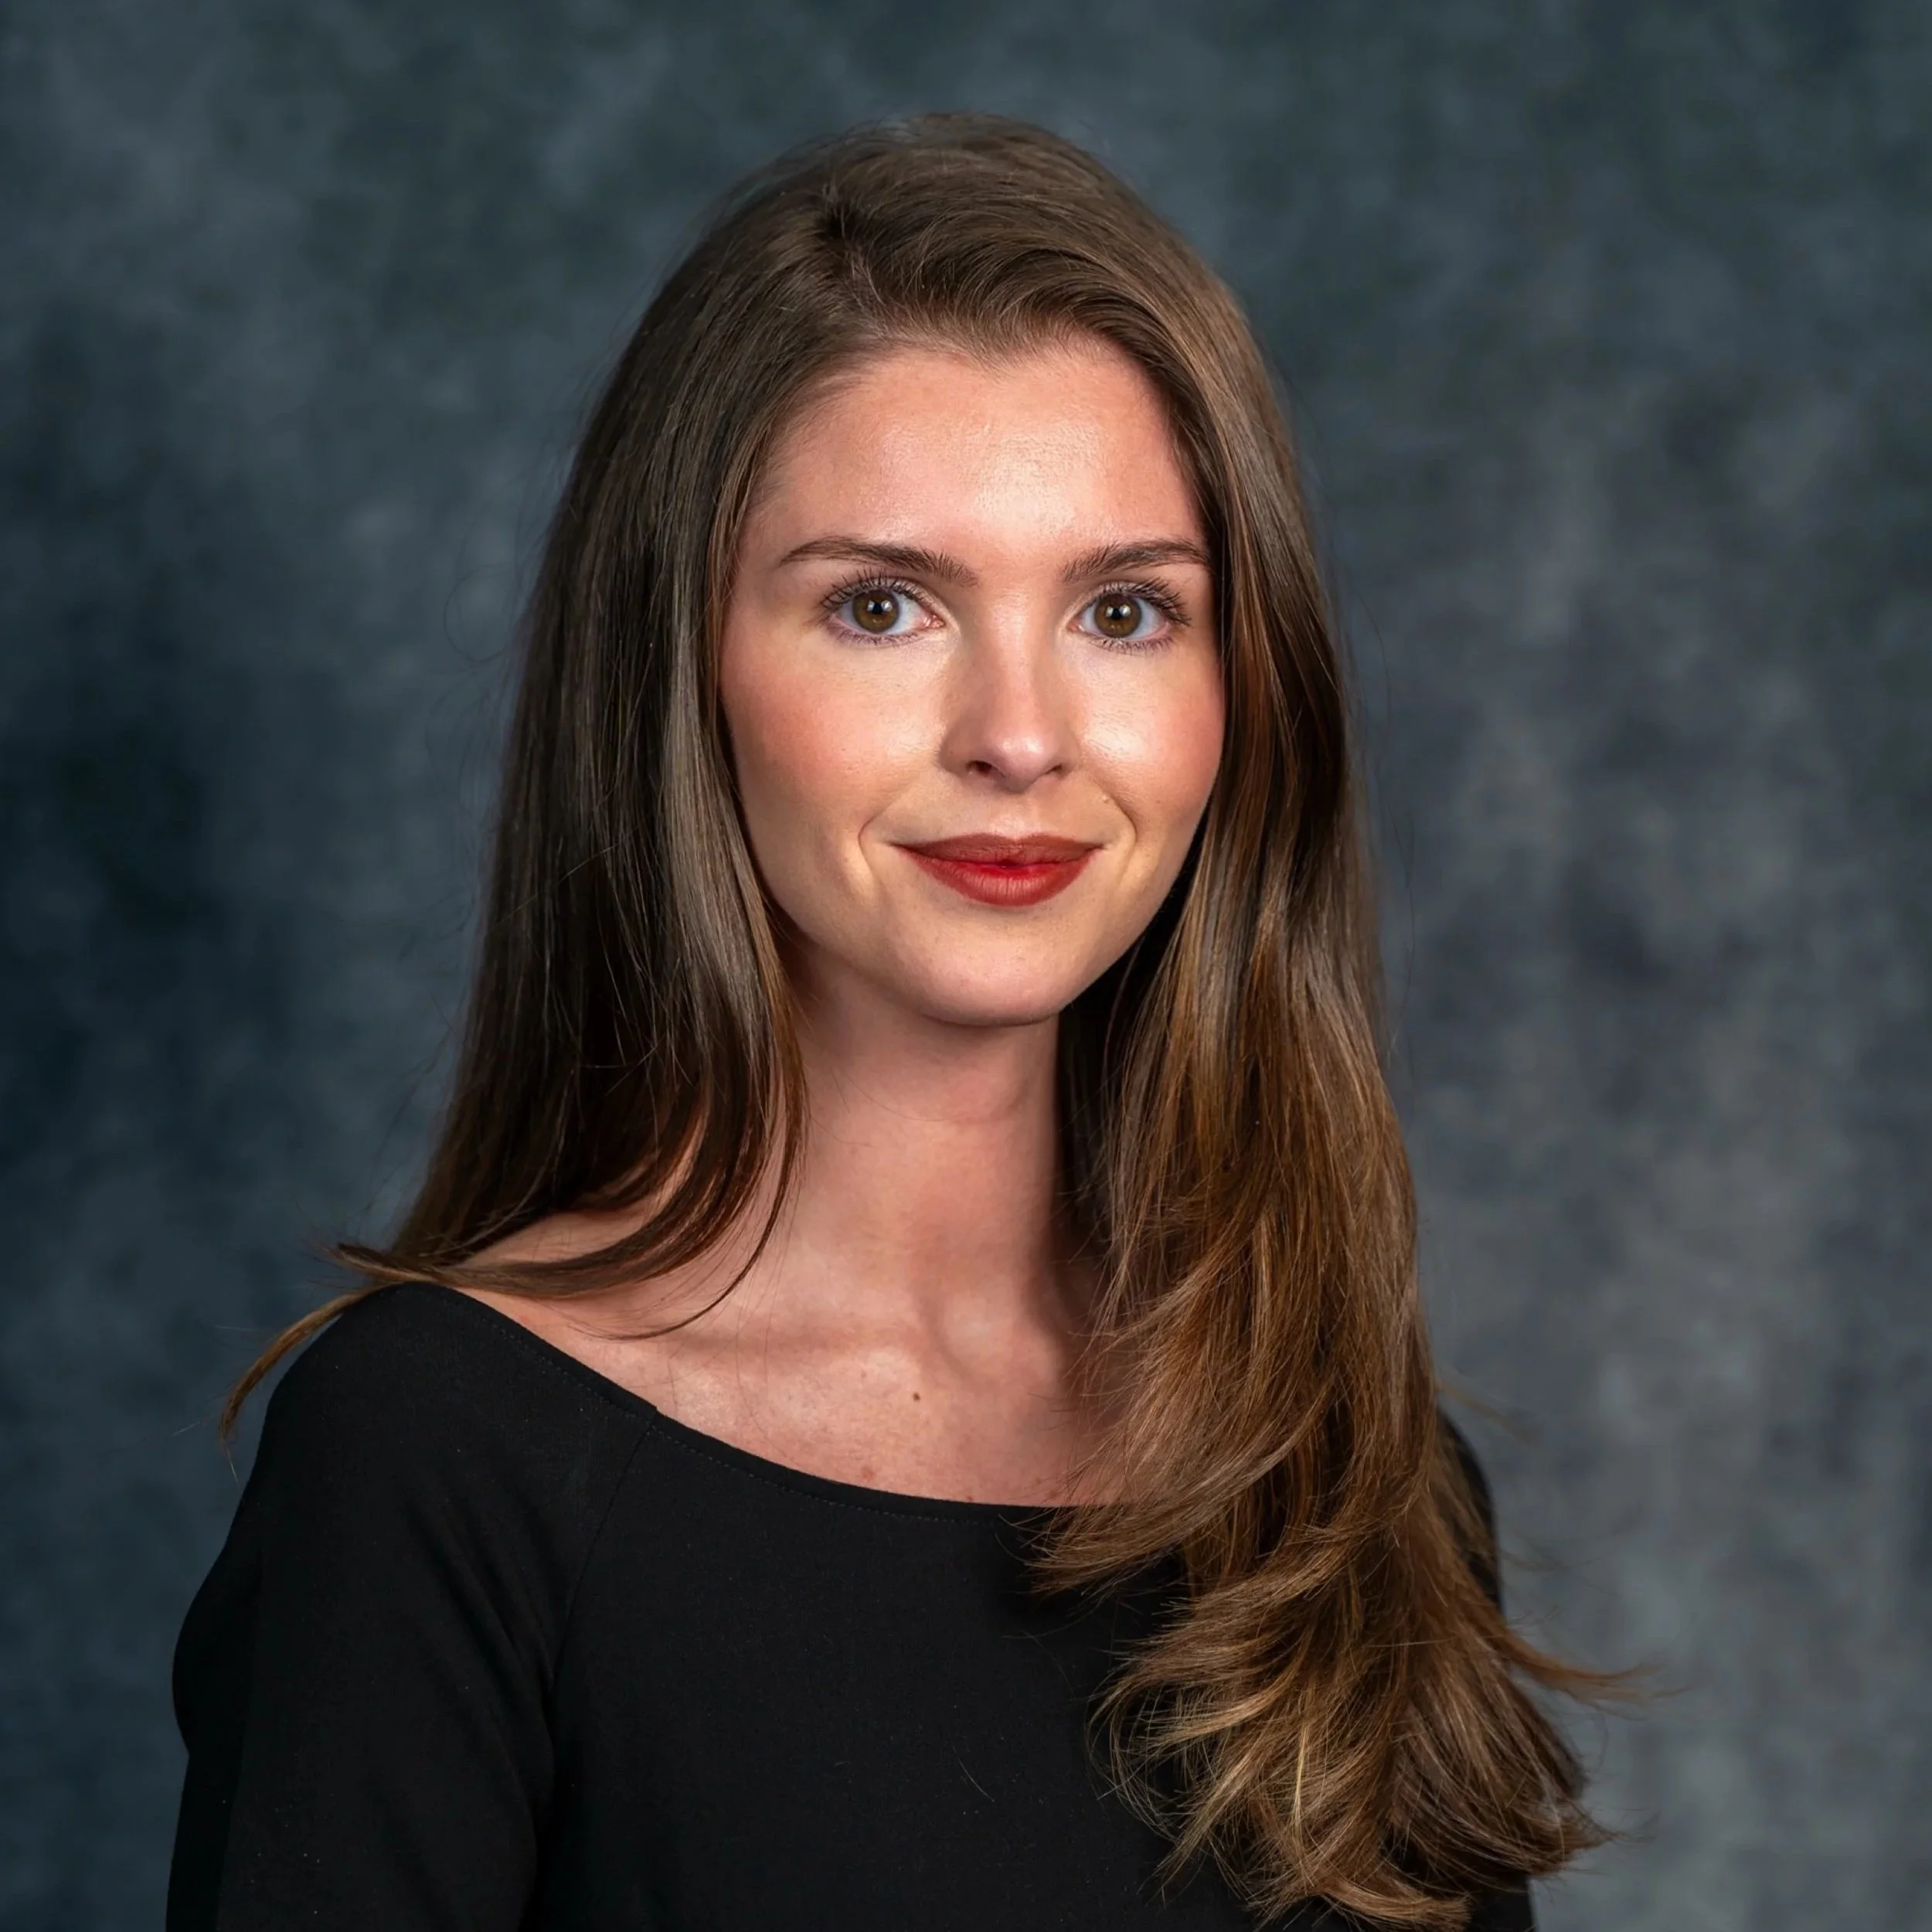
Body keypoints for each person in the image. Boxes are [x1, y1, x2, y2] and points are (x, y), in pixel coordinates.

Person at [167, 114, 1603, 1930]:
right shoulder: (436, 1462)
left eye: (1122, 608)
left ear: (1246, 691)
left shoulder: (1338, 1481)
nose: (1018, 731)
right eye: (880, 603)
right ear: (678, 672)